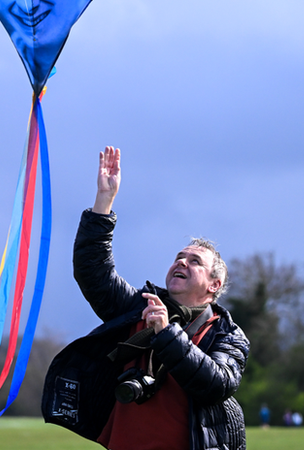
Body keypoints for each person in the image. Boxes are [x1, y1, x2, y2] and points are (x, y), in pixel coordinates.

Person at [43, 146, 249, 450]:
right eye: (179, 257)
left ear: (214, 285)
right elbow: (94, 273)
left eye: (195, 261)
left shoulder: (227, 334)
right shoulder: (141, 307)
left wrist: (166, 334)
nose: (182, 262)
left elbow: (216, 385)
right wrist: (104, 203)